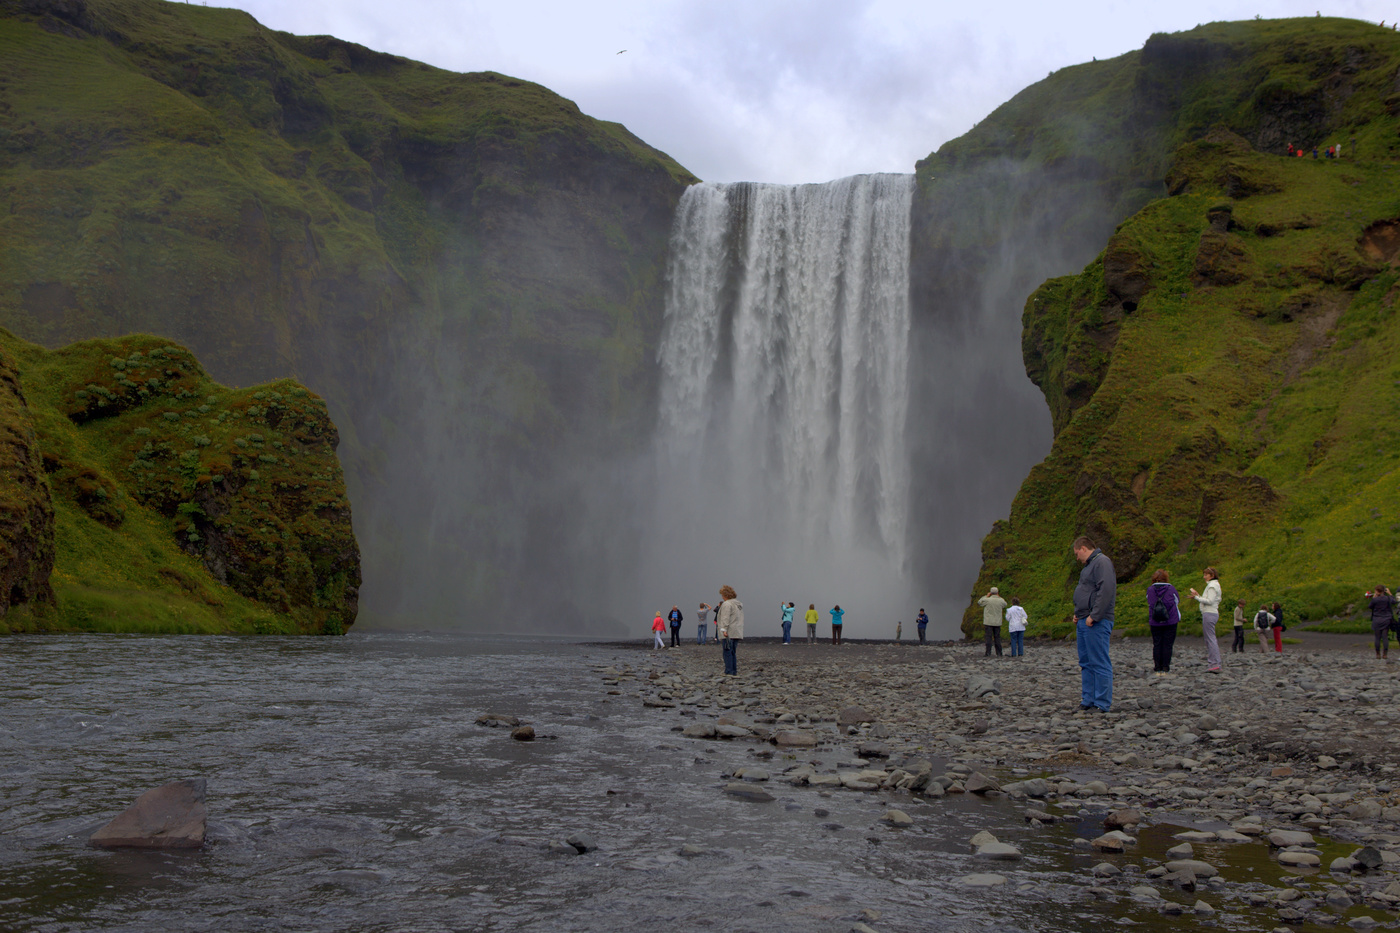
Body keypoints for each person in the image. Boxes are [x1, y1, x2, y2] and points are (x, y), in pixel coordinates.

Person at [1072, 535, 1116, 711]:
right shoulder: (1089, 566)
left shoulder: (1102, 562)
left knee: (1099, 661)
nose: (1077, 558)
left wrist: (1094, 616)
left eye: (1077, 554)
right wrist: (1078, 614)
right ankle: (1088, 699)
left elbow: (1106, 589)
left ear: (1083, 548)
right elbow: (1086, 592)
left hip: (1095, 621)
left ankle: (1102, 702)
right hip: (1084, 619)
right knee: (1086, 662)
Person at [1187, 567, 1223, 673]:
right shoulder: (1214, 585)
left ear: (1212, 575)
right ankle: (1215, 663)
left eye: (1206, 575)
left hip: (1209, 613)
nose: (1204, 577)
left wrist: (1197, 597)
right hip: (1211, 613)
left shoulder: (1212, 586)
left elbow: (1210, 601)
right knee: (1210, 638)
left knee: (1210, 639)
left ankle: (1215, 663)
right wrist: (1198, 596)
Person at [1146, 569, 1180, 675]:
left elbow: (1149, 602)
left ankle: (1157, 667)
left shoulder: (1150, 590)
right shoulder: (1171, 588)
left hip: (1155, 621)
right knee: (1168, 644)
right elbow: (1176, 601)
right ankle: (1165, 667)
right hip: (1170, 620)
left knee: (1157, 644)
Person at [717, 585, 744, 675]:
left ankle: (729, 671)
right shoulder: (738, 604)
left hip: (729, 632)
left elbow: (725, 617)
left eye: (722, 595)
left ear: (726, 595)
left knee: (727, 652)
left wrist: (724, 630)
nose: (722, 597)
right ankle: (733, 671)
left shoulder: (727, 604)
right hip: (737, 631)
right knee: (732, 652)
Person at [977, 587, 1007, 657]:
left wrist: (986, 596)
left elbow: (979, 602)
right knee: (997, 638)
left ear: (990, 593)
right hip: (997, 622)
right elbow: (1005, 604)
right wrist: (999, 596)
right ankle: (999, 653)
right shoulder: (1000, 600)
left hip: (988, 622)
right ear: (997, 592)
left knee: (988, 638)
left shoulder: (987, 600)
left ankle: (988, 653)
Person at [1369, 586, 1395, 659]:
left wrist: (1374, 597)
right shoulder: (1387, 598)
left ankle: (1378, 654)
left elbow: (1370, 606)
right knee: (1385, 637)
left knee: (1377, 637)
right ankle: (1385, 654)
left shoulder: (1375, 600)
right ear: (1384, 591)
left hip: (1377, 619)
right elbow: (1394, 601)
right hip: (1386, 619)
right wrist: (1390, 594)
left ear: (1377, 591)